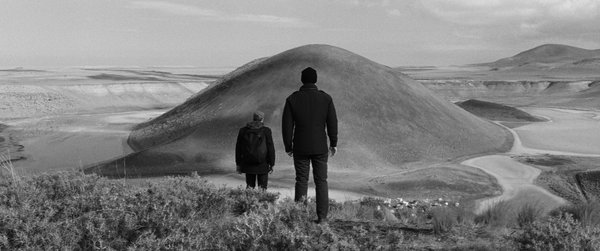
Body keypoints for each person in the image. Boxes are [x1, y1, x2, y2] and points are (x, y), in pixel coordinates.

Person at [282, 67, 338, 224]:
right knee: (321, 181)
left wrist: (288, 146)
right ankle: (322, 218)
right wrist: (333, 142)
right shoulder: (326, 99)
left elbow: (287, 126)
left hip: (300, 146)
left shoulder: (292, 99)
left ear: (302, 80)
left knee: (301, 180)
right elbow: (332, 123)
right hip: (320, 146)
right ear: (315, 79)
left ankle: (299, 217)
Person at [235, 111, 275, 190]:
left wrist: (238, 164)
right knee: (262, 188)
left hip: (248, 163)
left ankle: (249, 202)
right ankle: (261, 202)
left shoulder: (243, 130)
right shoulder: (266, 131)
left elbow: (238, 148)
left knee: (250, 187)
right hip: (263, 164)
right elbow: (270, 148)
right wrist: (272, 163)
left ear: (253, 118)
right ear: (262, 119)